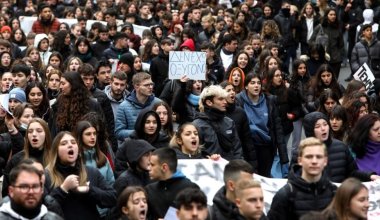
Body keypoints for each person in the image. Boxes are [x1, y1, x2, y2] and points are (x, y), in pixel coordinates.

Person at [44, 131, 117, 219]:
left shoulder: (91, 172)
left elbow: (112, 198)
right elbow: (44, 209)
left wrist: (89, 190)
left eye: (73, 142)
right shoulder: (47, 176)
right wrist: (63, 189)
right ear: (56, 151)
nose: (70, 145)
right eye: (64, 143)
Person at [297, 112, 378, 182]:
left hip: (338, 195)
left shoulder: (341, 147)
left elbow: (352, 172)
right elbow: (294, 178)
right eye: (317, 126)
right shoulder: (301, 151)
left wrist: (369, 176)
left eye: (325, 124)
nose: (323, 129)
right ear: (310, 130)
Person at [267, 137, 337, 220]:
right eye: (309, 157)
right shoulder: (285, 195)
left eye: (318, 157)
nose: (314, 161)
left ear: (325, 161)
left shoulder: (334, 192)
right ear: (300, 160)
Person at [236, 73, 288, 177]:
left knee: (265, 178)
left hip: (266, 147)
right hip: (248, 147)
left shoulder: (269, 101)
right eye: (252, 83)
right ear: (246, 86)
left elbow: (277, 129)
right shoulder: (239, 101)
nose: (256, 86)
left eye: (258, 83)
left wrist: (284, 159)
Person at [2, 118, 51, 197]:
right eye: (30, 131)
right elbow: (6, 191)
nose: (34, 134)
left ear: (46, 134)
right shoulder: (16, 160)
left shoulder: (54, 158)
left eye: (39, 131)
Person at [145, 147, 199, 219]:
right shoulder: (149, 190)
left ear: (164, 167)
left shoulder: (190, 188)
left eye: (152, 165)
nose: (149, 168)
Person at [193, 85, 242, 160]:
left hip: (230, 169)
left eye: (225, 99)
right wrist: (208, 160)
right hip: (209, 169)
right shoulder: (197, 125)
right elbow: (194, 153)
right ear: (209, 102)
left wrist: (238, 168)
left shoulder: (229, 122)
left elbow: (237, 149)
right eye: (220, 99)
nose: (225, 102)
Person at [48, 72, 104, 138]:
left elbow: (101, 128)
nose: (60, 87)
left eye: (63, 84)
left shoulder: (91, 104)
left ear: (73, 84)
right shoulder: (58, 103)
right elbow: (53, 130)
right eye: (60, 83)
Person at [115, 72, 161, 140]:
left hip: (155, 144)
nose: (150, 87)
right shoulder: (123, 106)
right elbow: (119, 132)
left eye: (151, 84)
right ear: (136, 86)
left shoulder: (158, 103)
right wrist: (139, 132)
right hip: (134, 146)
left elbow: (165, 128)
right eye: (146, 85)